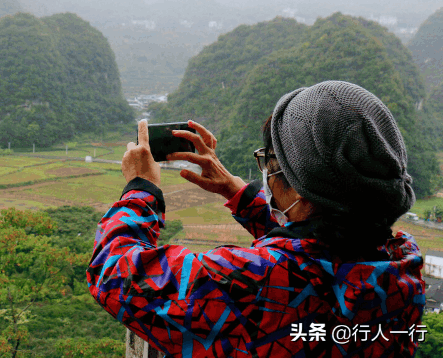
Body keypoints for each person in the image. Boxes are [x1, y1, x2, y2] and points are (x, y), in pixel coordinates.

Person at [87, 81, 425, 357]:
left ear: (302, 189)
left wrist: (140, 188)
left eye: (270, 162)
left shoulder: (251, 285)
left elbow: (114, 273)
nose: (267, 175)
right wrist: (241, 195)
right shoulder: (401, 269)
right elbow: (319, 258)